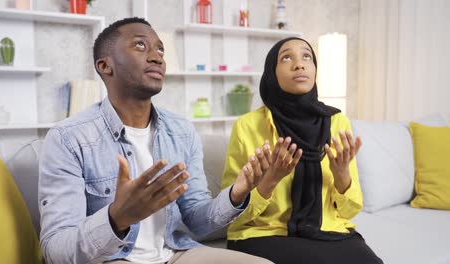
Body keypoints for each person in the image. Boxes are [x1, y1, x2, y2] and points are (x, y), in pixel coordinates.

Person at [38, 17, 272, 264]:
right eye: (140, 45)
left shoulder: (181, 131)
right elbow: (56, 250)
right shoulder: (68, 138)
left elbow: (197, 219)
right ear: (105, 66)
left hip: (174, 252)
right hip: (111, 259)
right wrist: (116, 218)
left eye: (160, 49)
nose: (157, 56)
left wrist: (237, 193)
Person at [221, 37, 383, 264]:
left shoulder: (337, 122)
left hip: (326, 230)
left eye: (307, 56)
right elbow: (231, 215)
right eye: (286, 57)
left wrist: (342, 174)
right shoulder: (247, 126)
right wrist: (269, 180)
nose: (299, 64)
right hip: (265, 233)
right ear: (271, 72)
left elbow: (348, 212)